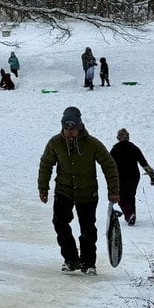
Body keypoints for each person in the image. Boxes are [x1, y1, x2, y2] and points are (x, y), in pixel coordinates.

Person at [38, 106, 120, 275]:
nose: (69, 132)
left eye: (72, 128)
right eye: (66, 128)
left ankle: (88, 263)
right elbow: (46, 164)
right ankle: (71, 259)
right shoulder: (55, 143)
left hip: (87, 192)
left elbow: (109, 165)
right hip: (64, 190)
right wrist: (43, 188)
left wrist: (114, 191)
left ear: (80, 127)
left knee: (88, 228)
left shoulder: (92, 144)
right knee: (60, 223)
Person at [109, 128, 154, 226]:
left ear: (118, 138)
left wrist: (110, 178)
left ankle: (129, 214)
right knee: (131, 196)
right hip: (134, 176)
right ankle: (132, 216)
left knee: (121, 197)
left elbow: (109, 165)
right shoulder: (134, 148)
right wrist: (153, 177)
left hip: (121, 177)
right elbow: (144, 163)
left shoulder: (115, 149)